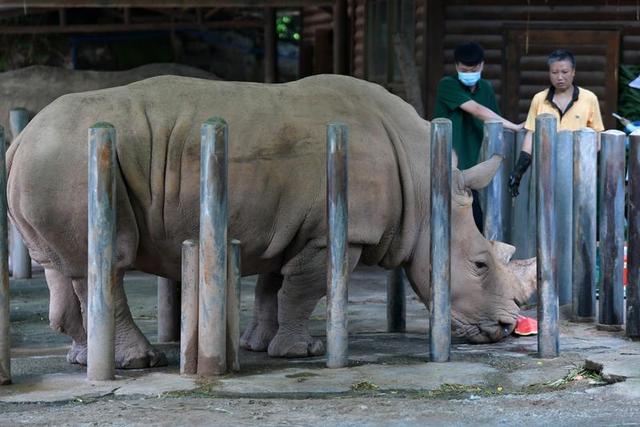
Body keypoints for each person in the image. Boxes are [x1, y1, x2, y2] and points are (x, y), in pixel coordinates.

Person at [434, 41, 523, 231]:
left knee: (481, 222)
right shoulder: (447, 85)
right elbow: (477, 110)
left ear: (482, 66)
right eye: (464, 70)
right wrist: (515, 127)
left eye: (472, 69)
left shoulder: (486, 88)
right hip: (452, 167)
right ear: (456, 66)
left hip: (479, 167)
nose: (468, 74)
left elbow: (492, 121)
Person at [509, 49, 605, 197]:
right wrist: (518, 170)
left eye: (565, 72)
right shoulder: (539, 99)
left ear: (573, 72)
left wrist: (586, 160)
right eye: (554, 73)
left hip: (579, 168)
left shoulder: (589, 98)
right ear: (549, 73)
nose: (560, 77)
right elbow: (530, 133)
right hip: (545, 166)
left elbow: (597, 132)